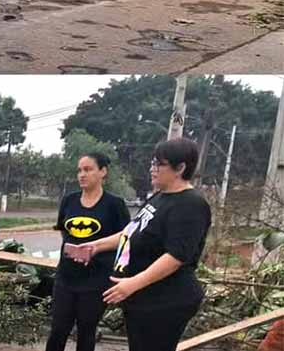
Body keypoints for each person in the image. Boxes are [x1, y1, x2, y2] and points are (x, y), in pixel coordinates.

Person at [67, 138, 212, 351]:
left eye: (158, 164)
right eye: (152, 163)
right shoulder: (160, 197)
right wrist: (95, 246)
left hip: (166, 300)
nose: (152, 169)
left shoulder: (190, 205)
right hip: (143, 298)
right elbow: (132, 232)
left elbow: (176, 257)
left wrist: (133, 284)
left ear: (180, 168)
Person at [45, 154, 130, 351]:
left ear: (102, 172)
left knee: (86, 331)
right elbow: (64, 231)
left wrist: (95, 249)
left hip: (96, 280)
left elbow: (126, 237)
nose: (82, 174)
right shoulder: (69, 201)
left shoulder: (114, 204)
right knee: (58, 329)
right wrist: (74, 252)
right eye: (80, 170)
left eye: (88, 169)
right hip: (66, 278)